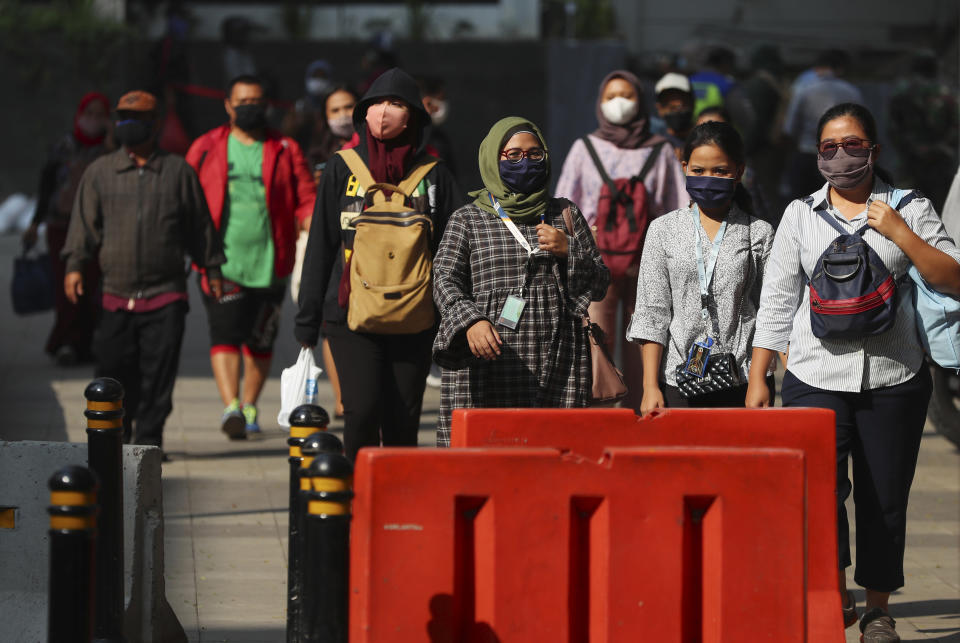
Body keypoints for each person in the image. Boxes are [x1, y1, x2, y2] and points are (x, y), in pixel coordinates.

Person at [746, 103, 960, 642]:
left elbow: (952, 277)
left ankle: (879, 610)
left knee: (884, 497)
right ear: (817, 155)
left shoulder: (910, 205)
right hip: (814, 374)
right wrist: (759, 377)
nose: (841, 156)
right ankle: (833, 592)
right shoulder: (799, 214)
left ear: (875, 150)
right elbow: (776, 301)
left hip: (895, 377)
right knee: (818, 494)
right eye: (828, 148)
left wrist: (901, 232)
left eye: (853, 144)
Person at [295, 67, 464, 461]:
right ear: (363, 115)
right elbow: (320, 243)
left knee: (403, 419)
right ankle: (357, 506)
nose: (384, 112)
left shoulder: (435, 175)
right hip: (349, 314)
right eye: (375, 104)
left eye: (396, 103)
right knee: (362, 412)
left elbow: (456, 245)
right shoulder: (342, 167)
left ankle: (397, 510)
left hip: (416, 317)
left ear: (415, 117)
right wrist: (307, 318)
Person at [62, 90, 225, 451]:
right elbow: (83, 225)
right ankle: (117, 437)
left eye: (137, 118)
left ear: (155, 124)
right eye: (122, 117)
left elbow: (200, 227)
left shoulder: (178, 172)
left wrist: (212, 268)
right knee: (113, 370)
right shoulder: (100, 172)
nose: (128, 124)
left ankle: (150, 441)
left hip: (165, 295)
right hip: (115, 296)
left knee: (158, 377)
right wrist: (75, 264)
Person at [433, 116, 610, 445]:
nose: (525, 162)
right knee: (484, 462)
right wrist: (470, 321)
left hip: (560, 364)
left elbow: (599, 283)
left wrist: (570, 250)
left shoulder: (564, 213)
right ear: (492, 159)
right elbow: (444, 278)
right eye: (512, 155)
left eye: (534, 154)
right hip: (488, 362)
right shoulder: (467, 219)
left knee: (555, 462)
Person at [187, 74, 316, 439]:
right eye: (242, 102)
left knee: (260, 339)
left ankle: (249, 405)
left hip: (271, 262)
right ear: (227, 105)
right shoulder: (207, 147)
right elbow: (186, 194)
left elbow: (306, 196)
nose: (249, 108)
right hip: (220, 262)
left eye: (256, 101)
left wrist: (313, 224)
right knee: (225, 333)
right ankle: (230, 406)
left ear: (268, 105)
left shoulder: (286, 149)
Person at [555, 70, 687, 413]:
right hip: (599, 263)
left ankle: (639, 413)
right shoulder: (594, 148)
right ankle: (603, 414)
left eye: (626, 95)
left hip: (646, 263)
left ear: (639, 100)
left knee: (643, 341)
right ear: (599, 103)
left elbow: (565, 204)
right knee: (598, 340)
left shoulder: (653, 150)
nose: (619, 103)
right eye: (611, 96)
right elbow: (678, 204)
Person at [627, 121, 774, 413]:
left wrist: (759, 377)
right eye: (698, 171)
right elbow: (651, 312)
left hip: (743, 379)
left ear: (739, 172)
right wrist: (650, 386)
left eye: (720, 171)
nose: (708, 179)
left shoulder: (758, 232)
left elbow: (773, 311)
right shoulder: (663, 230)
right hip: (680, 380)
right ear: (684, 166)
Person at [23, 92, 112, 366]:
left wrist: (111, 142)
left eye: (101, 115)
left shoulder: (111, 151)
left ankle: (85, 343)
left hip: (98, 230)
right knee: (66, 289)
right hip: (62, 226)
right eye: (90, 113)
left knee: (92, 287)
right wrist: (35, 224)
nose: (94, 120)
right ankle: (65, 342)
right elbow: (47, 185)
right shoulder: (63, 146)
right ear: (79, 114)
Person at [781, 50, 863, 200]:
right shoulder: (851, 92)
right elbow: (861, 127)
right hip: (841, 159)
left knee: (803, 206)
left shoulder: (804, 90)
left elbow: (790, 128)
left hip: (807, 154)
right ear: (840, 68)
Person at [887, 53, 958, 212]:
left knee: (906, 209)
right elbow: (956, 126)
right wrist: (940, 147)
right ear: (936, 69)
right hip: (940, 160)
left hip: (909, 160)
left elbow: (892, 128)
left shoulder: (901, 92)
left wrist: (913, 148)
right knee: (940, 211)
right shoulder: (946, 93)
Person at [654, 72, 696, 158]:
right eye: (670, 105)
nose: (677, 106)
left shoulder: (705, 140)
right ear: (659, 108)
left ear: (693, 103)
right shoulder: (653, 145)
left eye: (682, 100)